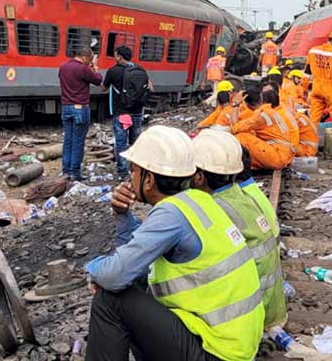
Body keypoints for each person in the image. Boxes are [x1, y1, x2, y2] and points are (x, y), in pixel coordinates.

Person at [85, 126, 264, 361]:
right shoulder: (198, 201)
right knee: (133, 284)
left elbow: (115, 275)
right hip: (231, 346)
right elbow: (136, 255)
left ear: (148, 180)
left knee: (109, 299)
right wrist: (122, 215)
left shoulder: (170, 215)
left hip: (217, 353)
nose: (131, 177)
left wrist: (92, 270)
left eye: (134, 170)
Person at [190, 131, 286, 329]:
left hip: (252, 318)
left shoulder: (214, 209)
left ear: (199, 177)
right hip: (272, 309)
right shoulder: (241, 196)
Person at [101, 46, 149, 177]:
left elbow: (103, 89)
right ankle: (136, 169)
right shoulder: (140, 69)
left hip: (121, 113)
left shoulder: (113, 71)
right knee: (135, 141)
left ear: (119, 57)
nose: (114, 58)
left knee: (121, 142)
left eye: (115, 56)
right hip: (138, 111)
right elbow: (150, 87)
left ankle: (122, 171)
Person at [59, 46, 103, 180]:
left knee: (68, 140)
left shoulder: (63, 67)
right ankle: (75, 173)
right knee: (78, 141)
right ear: (84, 57)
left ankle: (66, 171)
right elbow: (98, 80)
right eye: (89, 59)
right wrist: (95, 69)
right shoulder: (83, 68)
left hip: (66, 107)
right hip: (80, 108)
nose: (89, 62)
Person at [232, 85, 296, 170]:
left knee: (241, 136)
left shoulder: (260, 116)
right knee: (249, 133)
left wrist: (235, 104)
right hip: (284, 154)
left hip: (279, 157)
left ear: (246, 104)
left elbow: (235, 128)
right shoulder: (268, 110)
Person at [306, 31, 332, 129]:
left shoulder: (313, 51)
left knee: (313, 118)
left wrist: (304, 89)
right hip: (330, 90)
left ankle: (308, 142)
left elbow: (306, 73)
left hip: (316, 88)